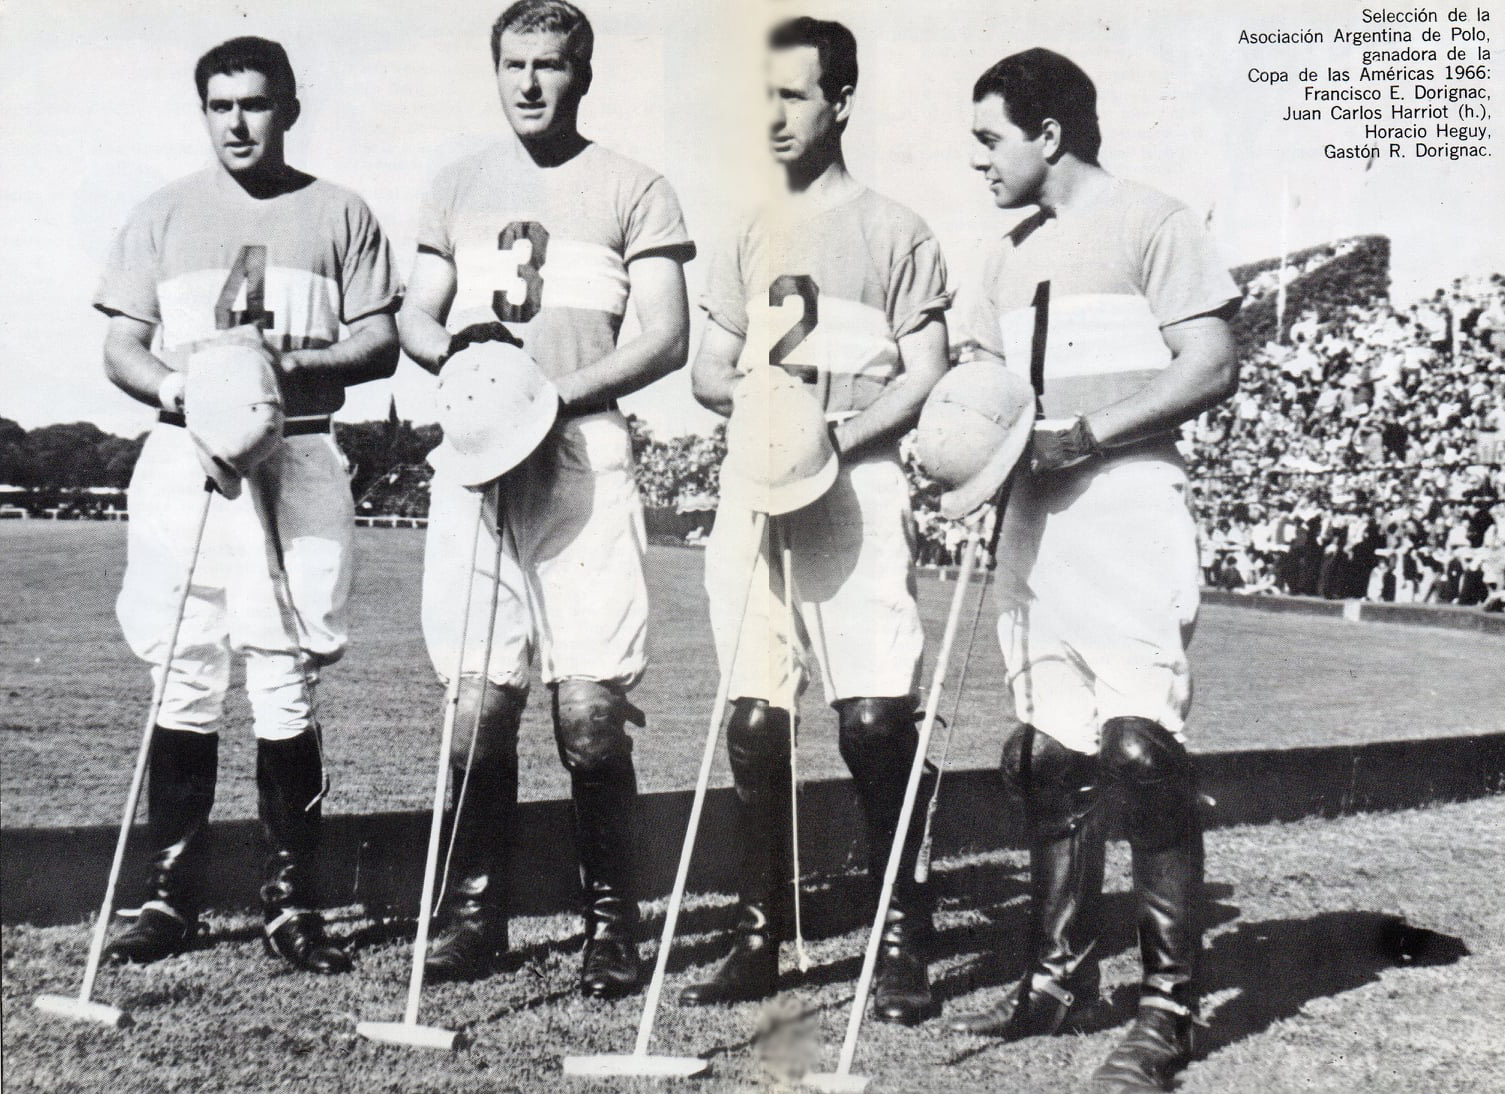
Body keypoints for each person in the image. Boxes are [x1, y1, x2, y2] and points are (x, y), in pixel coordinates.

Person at [944, 49, 1240, 1094]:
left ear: (1050, 133)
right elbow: (976, 391)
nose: (977, 158)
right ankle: (1060, 976)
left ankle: (1168, 1008)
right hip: (1031, 518)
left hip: (1124, 505)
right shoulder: (1004, 255)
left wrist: (1093, 433)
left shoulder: (1155, 220)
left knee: (1139, 746)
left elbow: (1210, 361)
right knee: (1049, 753)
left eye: (991, 137)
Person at [398, 0, 694, 997]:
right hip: (479, 456)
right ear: (495, 70)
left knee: (592, 714)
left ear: (584, 74)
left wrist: (549, 393)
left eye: (552, 66)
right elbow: (414, 311)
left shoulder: (634, 187)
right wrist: (461, 362)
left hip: (580, 454)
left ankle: (611, 921)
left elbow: (665, 336)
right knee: (478, 702)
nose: (531, 82)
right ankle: (475, 911)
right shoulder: (456, 183)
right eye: (514, 63)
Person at [94, 36, 401, 972]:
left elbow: (380, 342)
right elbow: (122, 347)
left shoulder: (340, 209)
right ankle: (170, 896)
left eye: (256, 104)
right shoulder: (161, 213)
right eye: (220, 105)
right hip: (186, 456)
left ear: (289, 107)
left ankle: (289, 902)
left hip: (300, 450)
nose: (238, 122)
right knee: (184, 668)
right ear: (204, 112)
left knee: (284, 673)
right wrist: (184, 391)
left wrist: (285, 369)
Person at [684, 16, 952, 1025]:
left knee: (875, 718)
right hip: (757, 484)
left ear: (840, 100)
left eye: (795, 95)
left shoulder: (897, 228)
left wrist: (836, 434)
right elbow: (709, 368)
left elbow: (925, 371)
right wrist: (767, 414)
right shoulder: (749, 227)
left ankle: (901, 927)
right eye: (764, 96)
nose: (777, 115)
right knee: (755, 713)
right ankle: (763, 929)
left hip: (858, 487)